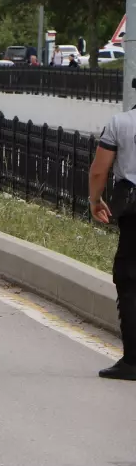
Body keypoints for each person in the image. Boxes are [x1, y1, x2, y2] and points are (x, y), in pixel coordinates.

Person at [89, 108, 136, 380]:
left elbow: (99, 171)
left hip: (133, 213)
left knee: (129, 280)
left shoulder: (121, 122)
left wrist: (96, 201)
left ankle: (132, 360)